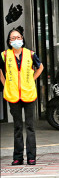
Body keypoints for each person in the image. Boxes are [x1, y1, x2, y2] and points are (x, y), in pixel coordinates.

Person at [1, 28, 44, 165]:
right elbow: (1, 71)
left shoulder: (30, 54)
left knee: (30, 126)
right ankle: (18, 157)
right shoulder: (4, 55)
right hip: (13, 95)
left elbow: (40, 67)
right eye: (12, 38)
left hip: (29, 94)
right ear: (9, 41)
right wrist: (5, 84)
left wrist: (32, 79)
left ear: (22, 39)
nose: (15, 40)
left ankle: (31, 157)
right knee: (17, 127)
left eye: (18, 37)